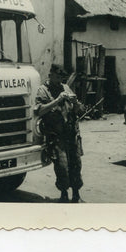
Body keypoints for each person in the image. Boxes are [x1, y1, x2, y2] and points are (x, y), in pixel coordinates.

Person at [35, 64, 86, 203]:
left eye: (61, 78)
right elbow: (39, 111)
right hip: (56, 135)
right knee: (62, 166)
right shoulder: (43, 90)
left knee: (76, 164)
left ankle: (76, 194)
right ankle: (64, 193)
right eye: (57, 77)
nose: (59, 81)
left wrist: (75, 103)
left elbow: (79, 110)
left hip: (71, 133)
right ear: (50, 75)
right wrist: (57, 100)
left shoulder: (66, 88)